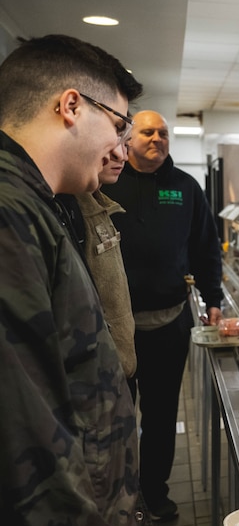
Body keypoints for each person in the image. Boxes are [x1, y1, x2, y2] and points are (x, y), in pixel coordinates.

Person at [0, 34, 167, 526]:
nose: (120, 146)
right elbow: (27, 443)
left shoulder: (40, 204)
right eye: (119, 125)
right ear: (71, 106)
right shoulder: (10, 214)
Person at [103, 110, 225, 522]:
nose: (157, 138)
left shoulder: (186, 188)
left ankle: (155, 494)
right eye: (147, 132)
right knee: (116, 417)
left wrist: (214, 298)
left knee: (160, 416)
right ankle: (118, 500)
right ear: (128, 137)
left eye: (163, 132)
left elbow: (207, 247)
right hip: (114, 329)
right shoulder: (107, 180)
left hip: (170, 324)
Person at [57, 139, 138, 379]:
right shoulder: (64, 207)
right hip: (95, 375)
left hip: (117, 367)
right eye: (111, 144)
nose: (121, 156)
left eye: (126, 146)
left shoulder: (99, 204)